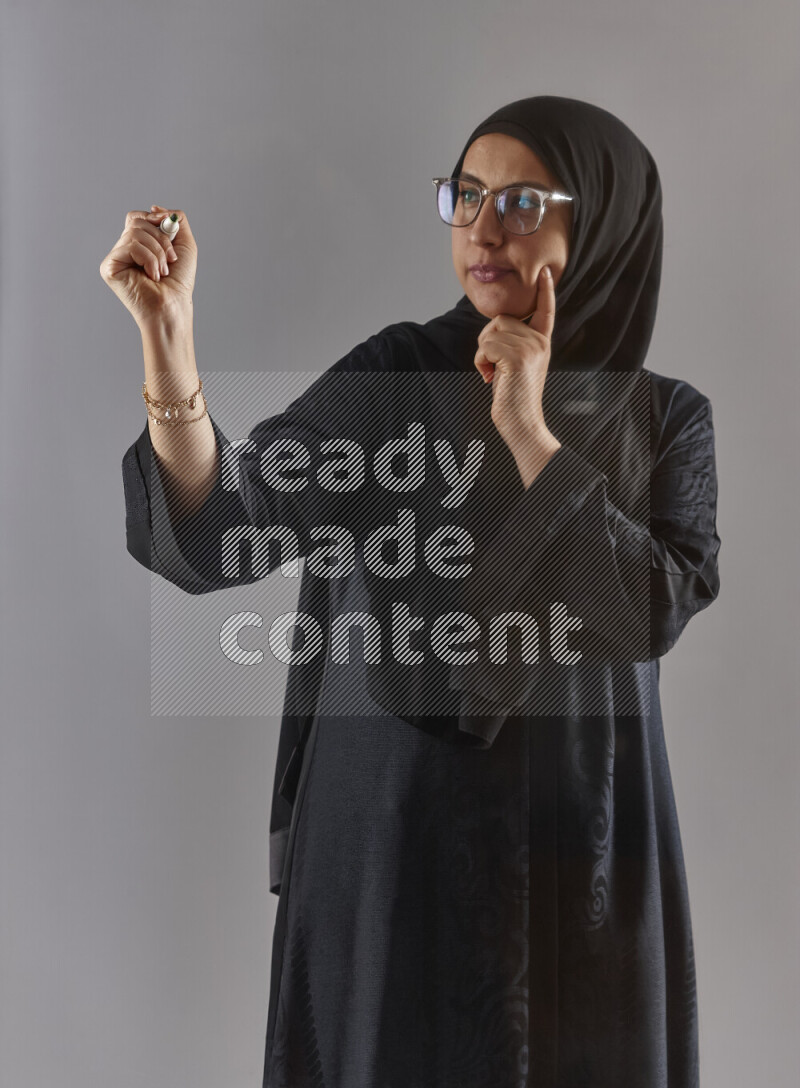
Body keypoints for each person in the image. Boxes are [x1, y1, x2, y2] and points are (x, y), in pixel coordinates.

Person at [101, 95, 721, 1088]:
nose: (480, 229)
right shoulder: (393, 377)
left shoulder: (663, 420)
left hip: (582, 858)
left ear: (597, 217)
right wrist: (167, 343)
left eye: (519, 200)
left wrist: (528, 429)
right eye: (464, 196)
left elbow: (647, 606)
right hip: (390, 839)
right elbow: (222, 532)